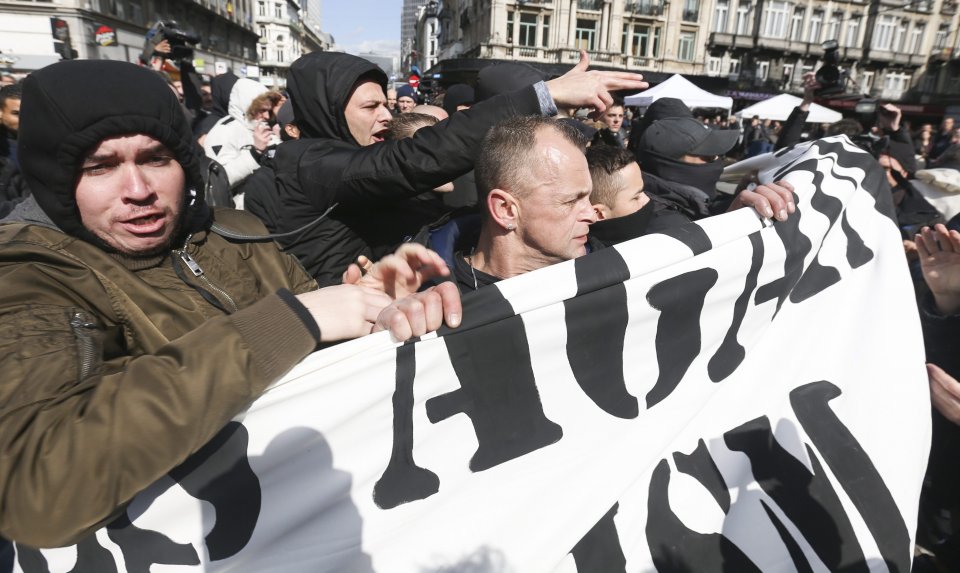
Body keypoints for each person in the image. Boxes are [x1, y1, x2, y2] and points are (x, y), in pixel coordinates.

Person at [0, 59, 461, 548]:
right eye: (101, 166)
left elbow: (314, 352)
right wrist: (289, 322)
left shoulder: (237, 232)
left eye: (156, 158)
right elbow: (39, 492)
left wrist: (373, 313)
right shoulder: (29, 275)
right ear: (54, 179)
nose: (138, 191)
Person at [271, 50, 648, 286]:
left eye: (385, 104)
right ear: (329, 111)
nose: (387, 117)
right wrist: (543, 97)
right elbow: (416, 159)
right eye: (371, 108)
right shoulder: (306, 163)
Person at [448, 115, 600, 292]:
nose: (591, 215)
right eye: (571, 201)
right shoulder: (437, 303)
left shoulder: (606, 276)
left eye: (588, 198)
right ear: (505, 210)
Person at [203, 79, 281, 197]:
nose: (266, 116)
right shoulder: (223, 131)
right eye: (262, 110)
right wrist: (255, 153)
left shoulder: (261, 126)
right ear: (247, 107)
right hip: (240, 211)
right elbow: (217, 180)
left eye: (269, 110)